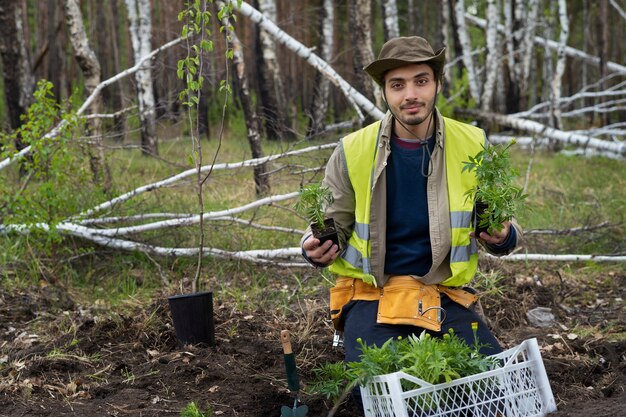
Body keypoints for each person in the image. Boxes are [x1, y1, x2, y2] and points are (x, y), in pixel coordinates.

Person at [301, 36, 522, 388]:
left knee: (499, 387)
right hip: (372, 297)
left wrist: (503, 235)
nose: (410, 95)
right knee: (375, 394)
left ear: (437, 84)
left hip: (441, 296)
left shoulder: (474, 143)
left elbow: (503, 226)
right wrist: (314, 247)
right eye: (397, 85)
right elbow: (333, 223)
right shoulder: (353, 150)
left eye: (421, 81)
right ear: (385, 93)